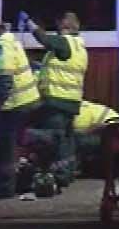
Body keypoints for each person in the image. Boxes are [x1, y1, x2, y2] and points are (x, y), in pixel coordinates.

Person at [0, 18, 42, 198]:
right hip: (23, 101)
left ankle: (5, 189)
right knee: (10, 145)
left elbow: (5, 82)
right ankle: (9, 183)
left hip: (15, 104)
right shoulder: (8, 40)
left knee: (6, 147)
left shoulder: (1, 47)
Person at [32, 11, 89, 194]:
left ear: (66, 27)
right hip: (71, 101)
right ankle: (65, 175)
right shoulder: (80, 47)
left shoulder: (65, 42)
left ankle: (54, 179)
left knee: (54, 141)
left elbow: (46, 40)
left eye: (61, 25)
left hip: (57, 101)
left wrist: (31, 26)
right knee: (66, 142)